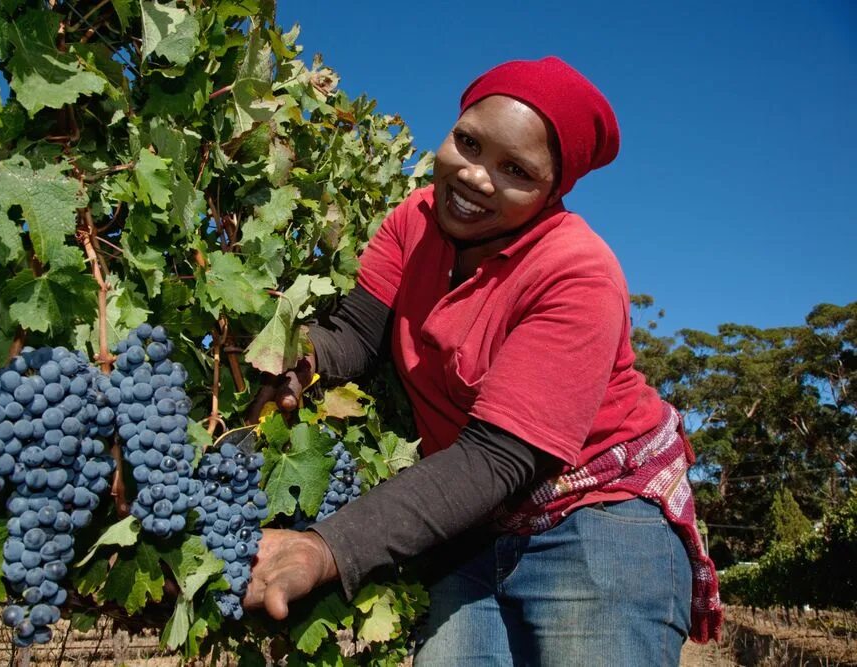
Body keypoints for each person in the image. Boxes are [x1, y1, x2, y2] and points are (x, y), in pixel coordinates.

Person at [242, 57, 723, 665]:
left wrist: (326, 547)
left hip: (600, 517)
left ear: (552, 190)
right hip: (472, 526)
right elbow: (359, 333)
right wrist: (296, 359)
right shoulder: (414, 219)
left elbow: (497, 457)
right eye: (468, 142)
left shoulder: (577, 273)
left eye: (515, 170)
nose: (475, 177)